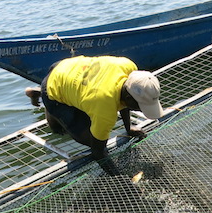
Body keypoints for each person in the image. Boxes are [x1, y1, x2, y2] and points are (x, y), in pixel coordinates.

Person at [25, 55, 165, 175]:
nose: (141, 110)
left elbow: (124, 100)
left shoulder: (130, 69)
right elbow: (97, 152)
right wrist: (119, 178)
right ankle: (47, 98)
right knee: (77, 136)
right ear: (129, 98)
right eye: (140, 106)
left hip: (68, 66)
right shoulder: (105, 109)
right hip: (58, 81)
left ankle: (41, 91)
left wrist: (129, 128)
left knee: (90, 108)